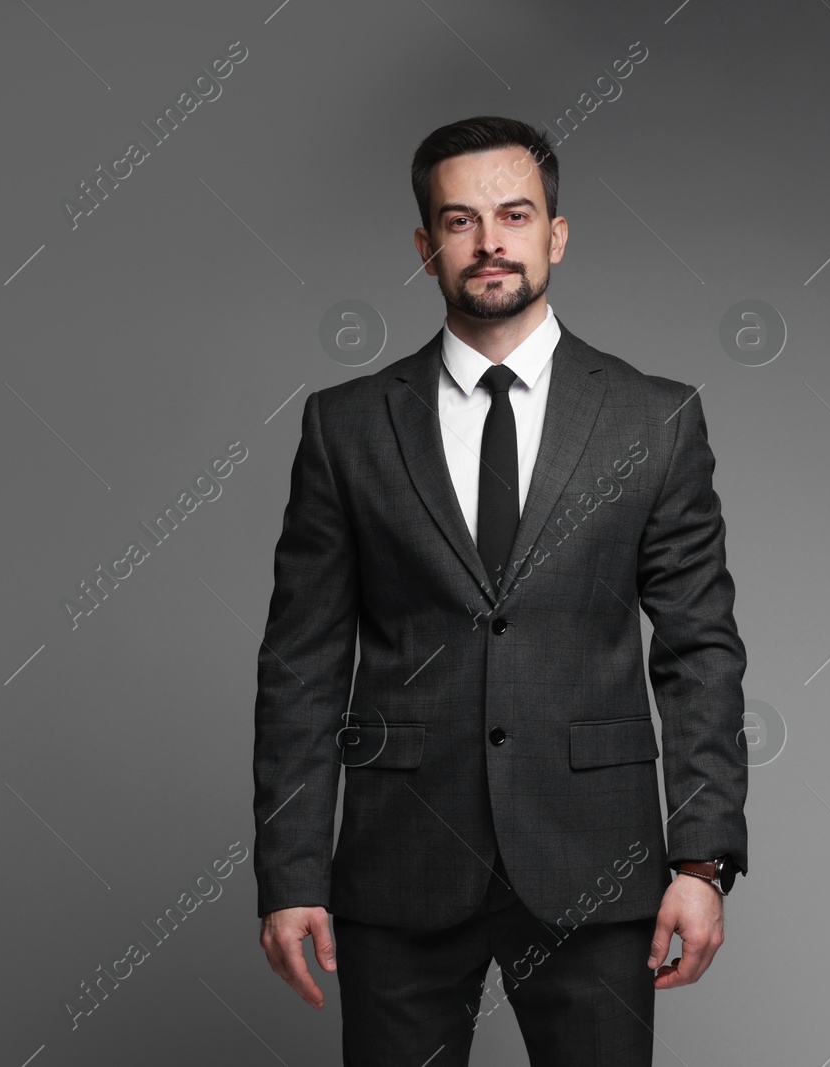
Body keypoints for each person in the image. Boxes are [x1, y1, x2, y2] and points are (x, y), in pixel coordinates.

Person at [253, 114, 749, 1066]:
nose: (489, 243)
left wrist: (702, 859)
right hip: (398, 864)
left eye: (514, 216)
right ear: (425, 247)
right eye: (460, 220)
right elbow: (301, 664)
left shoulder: (655, 418)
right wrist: (290, 870)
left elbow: (700, 651)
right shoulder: (346, 427)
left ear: (555, 235)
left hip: (596, 862)